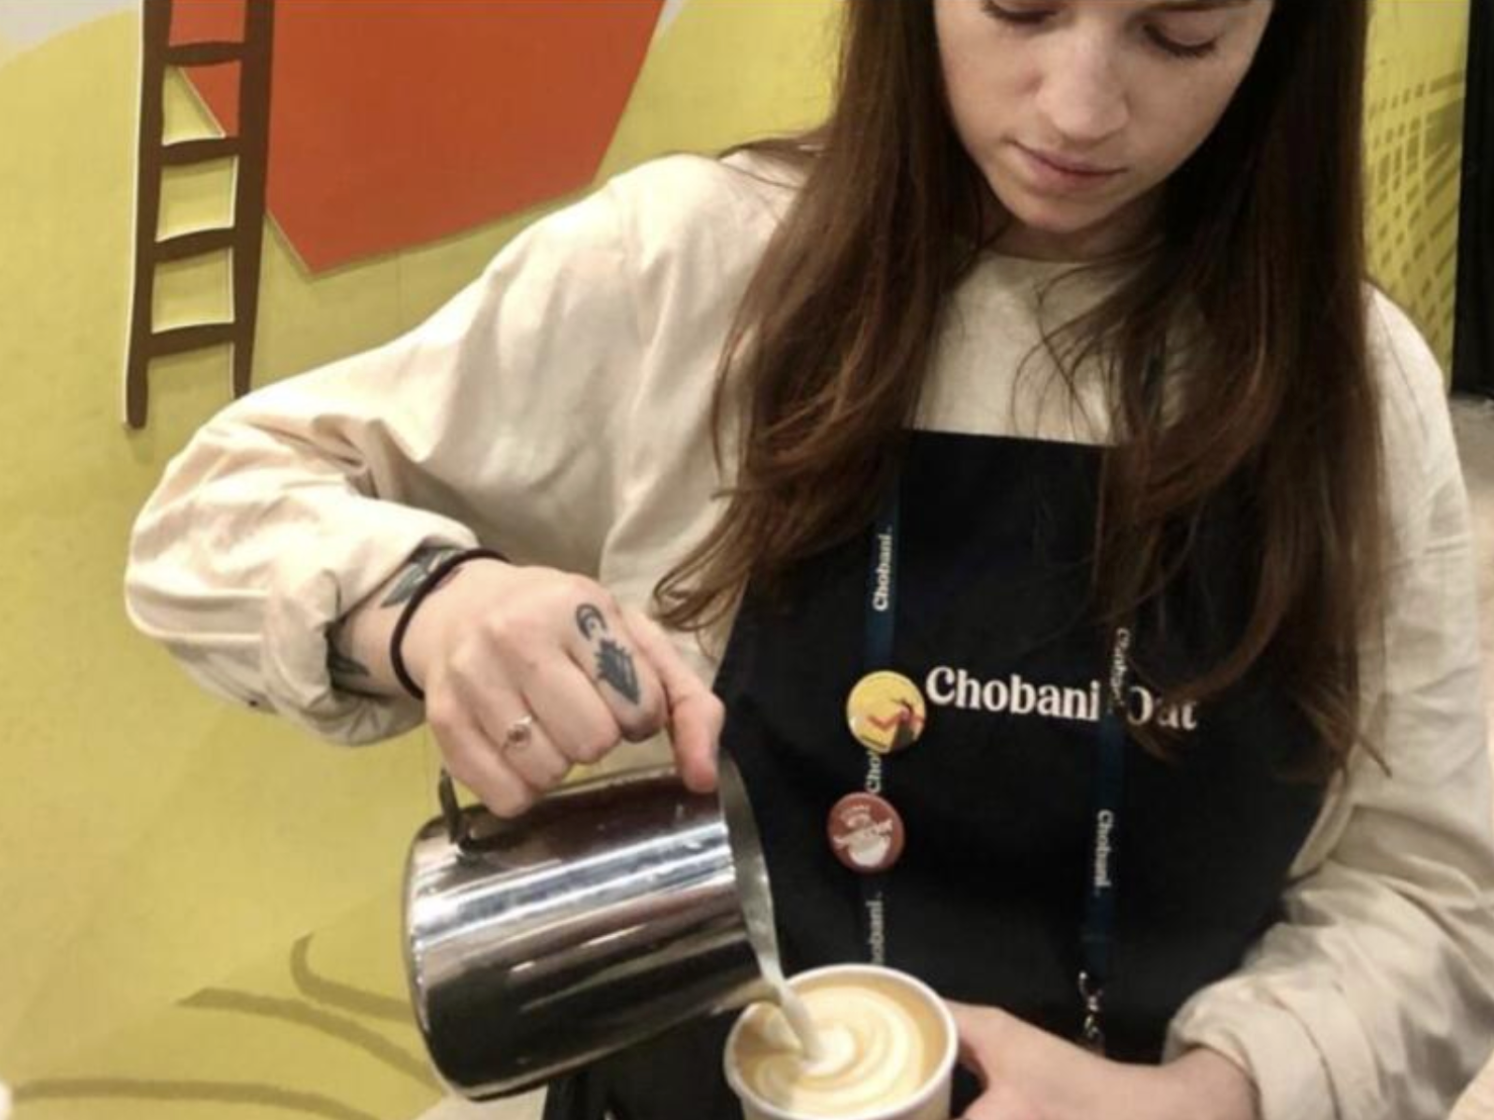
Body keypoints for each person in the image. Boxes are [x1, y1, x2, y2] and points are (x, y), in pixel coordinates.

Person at [125, 1, 1494, 1117]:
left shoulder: (1351, 389)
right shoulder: (689, 269)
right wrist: (428, 600)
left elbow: (1431, 895)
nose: (1078, 106)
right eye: (1019, 4)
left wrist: (1206, 1099)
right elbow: (212, 518)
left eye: (1179, 33)